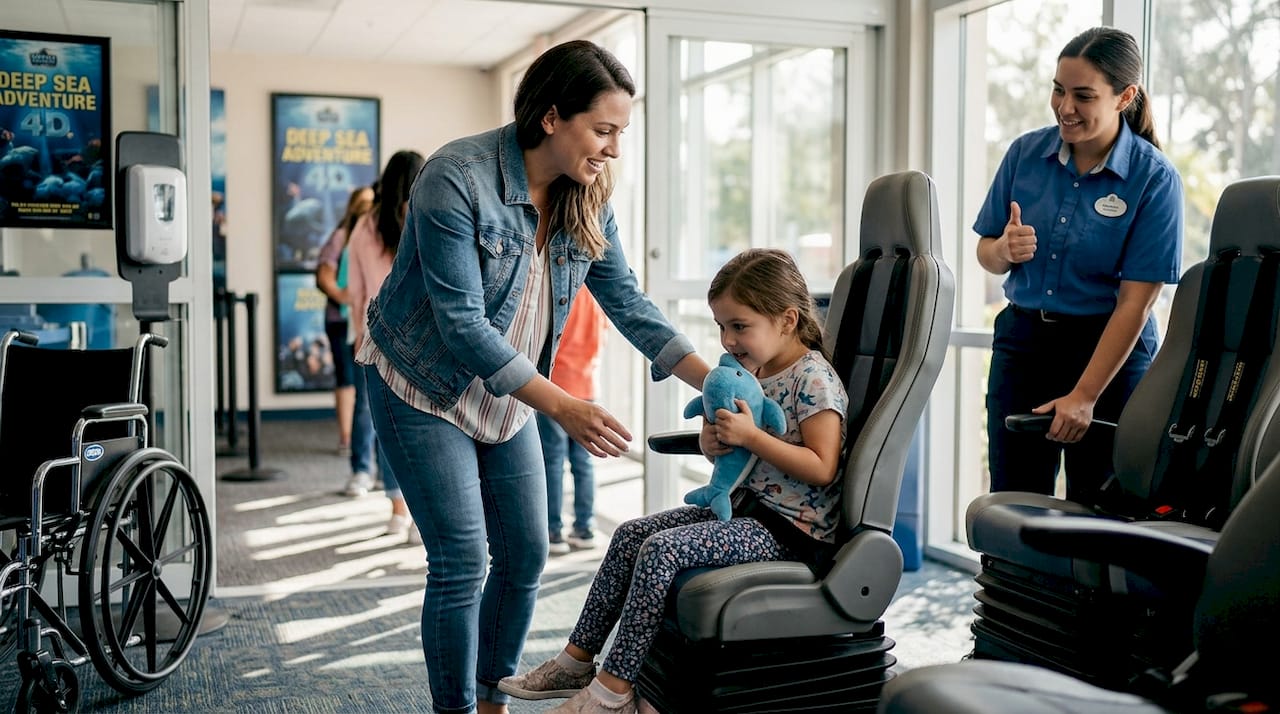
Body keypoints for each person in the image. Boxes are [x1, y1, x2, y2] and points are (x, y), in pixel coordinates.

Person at [356, 40, 711, 714]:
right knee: (463, 562)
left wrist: (717, 381)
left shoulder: (588, 196)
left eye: (620, 133)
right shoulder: (454, 178)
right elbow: (462, 324)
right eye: (602, 130)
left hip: (510, 395)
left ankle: (495, 700)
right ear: (551, 118)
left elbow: (628, 302)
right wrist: (566, 407)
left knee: (525, 555)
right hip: (422, 386)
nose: (612, 148)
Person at [498, 248, 848, 714]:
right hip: (745, 512)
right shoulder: (754, 373)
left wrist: (751, 436)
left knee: (663, 550)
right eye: (722, 327)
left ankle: (612, 692)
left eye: (739, 326)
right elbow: (745, 453)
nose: (726, 340)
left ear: (786, 320)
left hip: (792, 533)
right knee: (629, 535)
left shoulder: (814, 379)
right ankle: (576, 661)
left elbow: (823, 467)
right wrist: (717, 441)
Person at [976, 26, 1184, 503]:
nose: (1065, 107)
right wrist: (1003, 250)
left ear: (1124, 96)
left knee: (1101, 507)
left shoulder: (1154, 179)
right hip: (1023, 346)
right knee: (1013, 500)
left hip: (1107, 353)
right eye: (1058, 90)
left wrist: (1085, 395)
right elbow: (986, 253)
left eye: (1083, 96)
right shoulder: (1024, 155)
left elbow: (1136, 304)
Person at [344, 152, 425, 545]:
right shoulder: (428, 218)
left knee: (389, 431)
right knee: (426, 435)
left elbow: (356, 293)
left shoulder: (363, 227)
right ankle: (421, 519)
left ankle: (397, 512)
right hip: (424, 344)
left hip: (376, 341)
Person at [539, 286, 607, 555]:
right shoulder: (596, 298)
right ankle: (585, 527)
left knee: (552, 461)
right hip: (587, 387)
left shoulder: (560, 293)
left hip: (555, 391)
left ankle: (552, 530)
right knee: (583, 461)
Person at [316, 185, 375, 456]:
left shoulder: (374, 236)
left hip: (364, 322)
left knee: (365, 384)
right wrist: (345, 296)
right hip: (340, 320)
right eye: (362, 203)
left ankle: (363, 440)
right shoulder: (341, 236)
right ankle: (346, 437)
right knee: (346, 378)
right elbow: (324, 273)